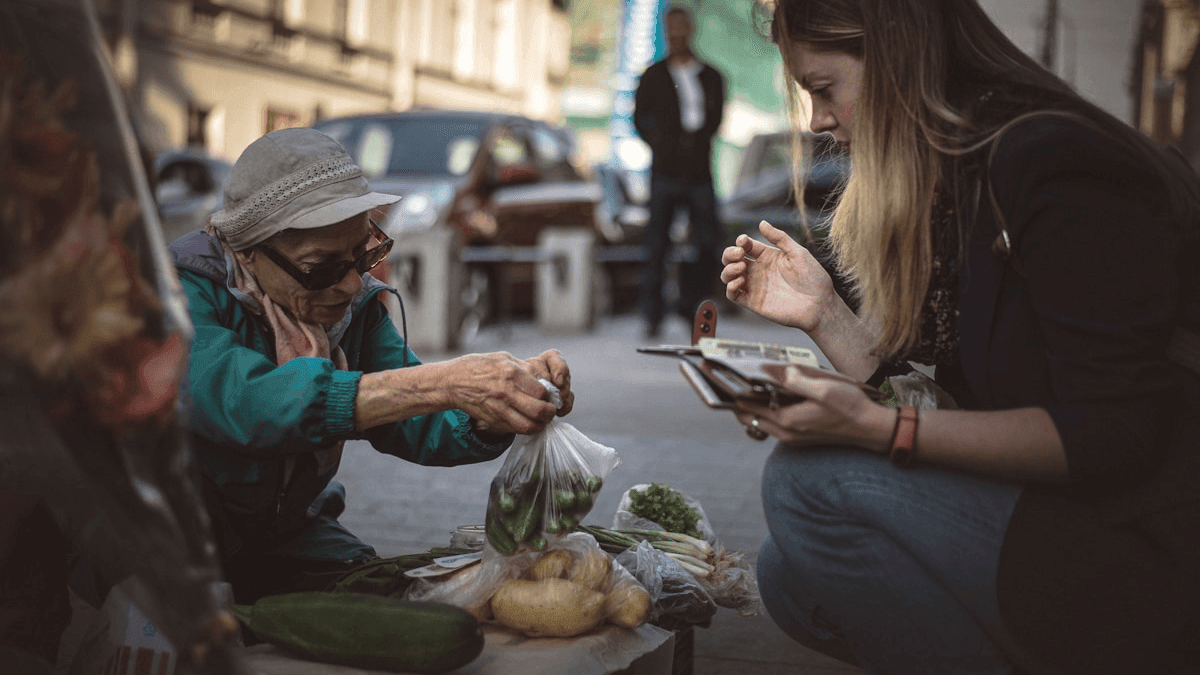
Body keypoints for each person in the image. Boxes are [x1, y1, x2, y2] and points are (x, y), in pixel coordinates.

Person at [720, 1, 1200, 674]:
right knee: (787, 577)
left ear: (895, 57)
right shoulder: (964, 175)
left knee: (805, 485)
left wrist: (877, 430)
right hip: (1063, 518)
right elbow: (964, 409)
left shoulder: (1054, 162)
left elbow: (1113, 435)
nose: (818, 121)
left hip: (1147, 552)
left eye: (823, 89)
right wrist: (825, 314)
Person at [168, 127, 574, 604]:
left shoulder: (352, 308)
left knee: (393, 601)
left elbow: (422, 421)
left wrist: (493, 405)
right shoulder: (177, 294)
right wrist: (445, 381)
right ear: (249, 251)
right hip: (172, 532)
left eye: (363, 255)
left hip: (289, 530)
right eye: (320, 268)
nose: (348, 285)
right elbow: (244, 402)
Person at [634, 4, 726, 338]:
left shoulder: (712, 76)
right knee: (656, 244)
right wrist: (661, 144)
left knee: (706, 243)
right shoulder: (653, 76)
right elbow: (638, 119)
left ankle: (694, 308)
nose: (676, 35)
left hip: (700, 172)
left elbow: (715, 120)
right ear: (665, 31)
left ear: (690, 31)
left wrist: (695, 142)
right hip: (665, 173)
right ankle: (653, 314)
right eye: (670, 28)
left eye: (681, 28)